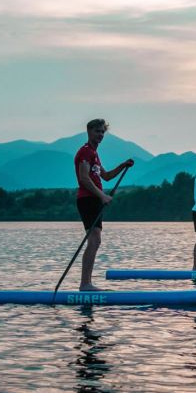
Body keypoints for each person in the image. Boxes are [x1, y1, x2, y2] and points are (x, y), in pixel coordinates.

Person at [75, 119, 134, 290]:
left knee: (95, 240)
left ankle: (86, 283)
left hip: (94, 199)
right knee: (94, 240)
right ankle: (85, 284)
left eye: (102, 132)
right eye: (97, 131)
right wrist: (102, 195)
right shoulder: (85, 152)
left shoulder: (94, 154)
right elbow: (84, 179)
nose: (100, 135)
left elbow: (106, 176)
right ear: (89, 131)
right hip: (87, 199)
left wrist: (123, 166)